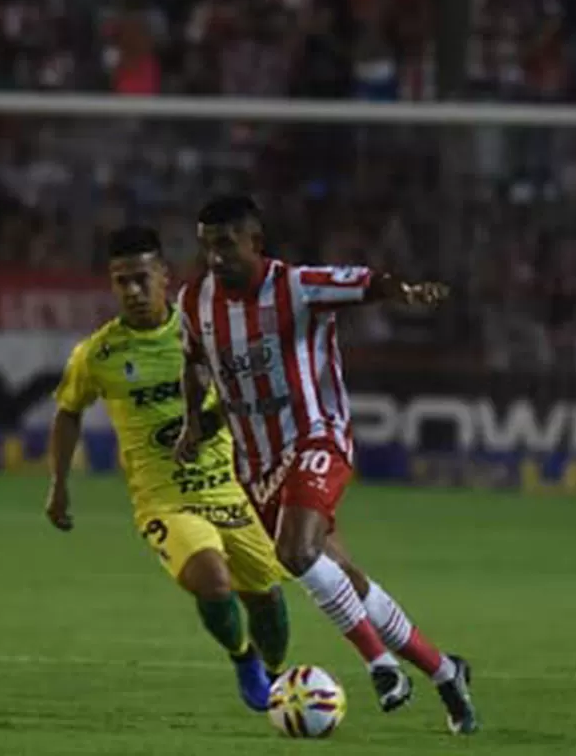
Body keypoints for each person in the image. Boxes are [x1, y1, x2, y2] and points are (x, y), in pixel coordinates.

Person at [176, 194, 479, 735]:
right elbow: (197, 366)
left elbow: (369, 282)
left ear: (254, 243)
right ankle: (444, 671)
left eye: (226, 244)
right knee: (346, 579)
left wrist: (404, 291)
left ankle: (380, 666)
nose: (215, 257)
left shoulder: (297, 286)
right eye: (206, 246)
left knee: (296, 552)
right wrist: (195, 424)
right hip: (257, 464)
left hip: (317, 435)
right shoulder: (194, 302)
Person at [47, 225, 292, 712]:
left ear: (166, 277)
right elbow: (68, 410)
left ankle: (277, 678)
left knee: (267, 599)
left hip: (231, 492)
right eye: (122, 281)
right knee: (213, 580)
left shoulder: (206, 332)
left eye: (142, 278)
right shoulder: (98, 355)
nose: (133, 291)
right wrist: (59, 485)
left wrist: (211, 420)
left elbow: (253, 392)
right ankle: (242, 658)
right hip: (165, 500)